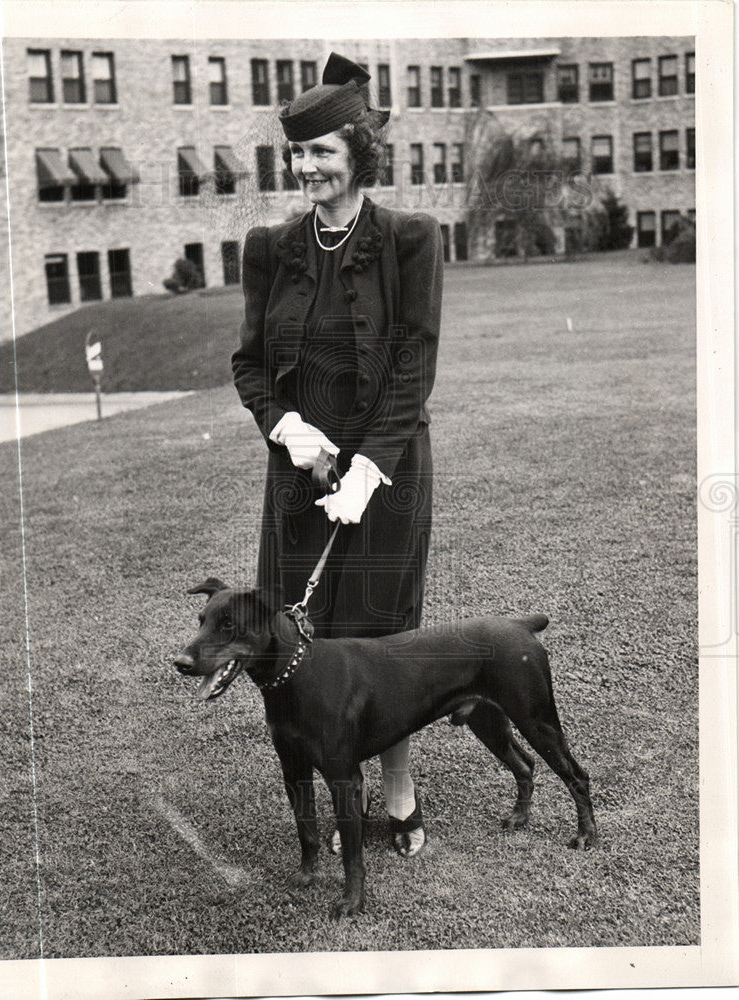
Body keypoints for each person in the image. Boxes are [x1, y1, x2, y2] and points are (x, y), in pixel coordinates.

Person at [231, 52, 443, 858]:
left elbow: (415, 360)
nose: (305, 167)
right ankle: (325, 788)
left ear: (358, 151)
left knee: (380, 637)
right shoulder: (268, 247)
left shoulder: (410, 241)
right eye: (297, 153)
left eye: (321, 150)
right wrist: (286, 427)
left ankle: (397, 790)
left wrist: (367, 465)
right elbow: (249, 364)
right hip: (296, 481)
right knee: (304, 635)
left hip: (385, 478)